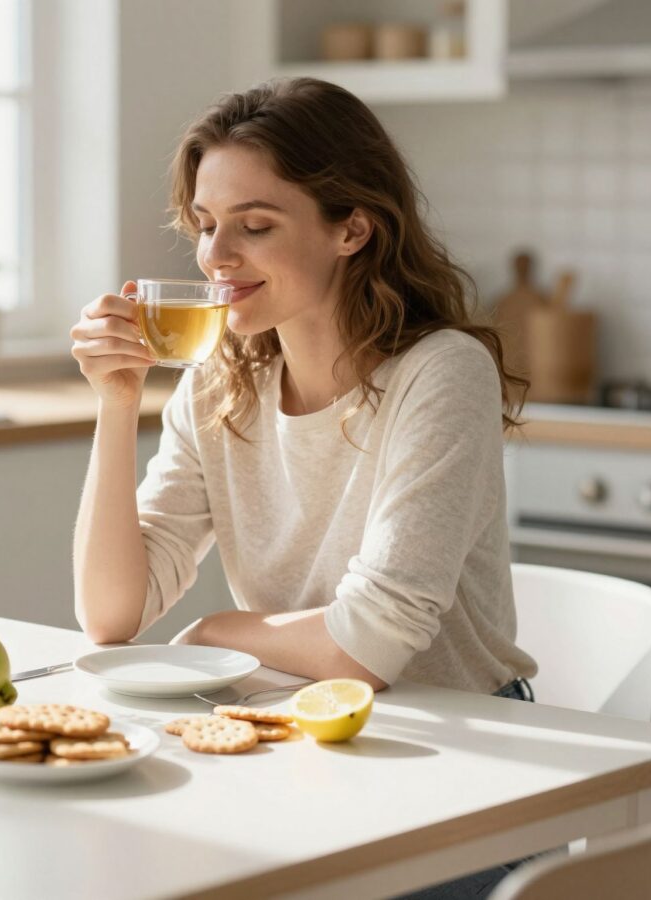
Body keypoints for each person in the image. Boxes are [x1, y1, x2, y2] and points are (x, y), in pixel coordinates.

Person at [70, 74, 539, 898]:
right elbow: (113, 613)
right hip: (296, 747)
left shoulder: (440, 375)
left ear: (352, 228)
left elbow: (372, 644)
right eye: (206, 226)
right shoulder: (221, 379)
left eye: (254, 226)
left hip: (459, 764)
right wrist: (116, 404)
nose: (216, 258)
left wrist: (222, 628)